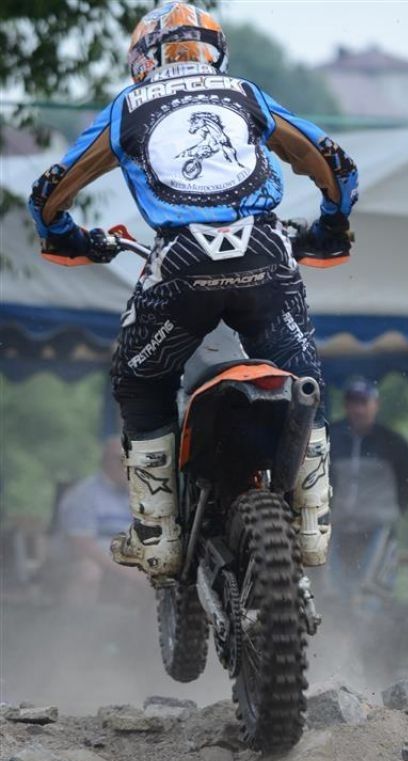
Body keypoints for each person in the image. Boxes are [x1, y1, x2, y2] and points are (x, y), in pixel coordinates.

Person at [28, 3, 358, 580]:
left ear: (141, 58)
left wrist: (66, 236)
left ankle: (156, 534)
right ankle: (313, 521)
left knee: (139, 380)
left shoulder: (128, 107)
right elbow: (333, 161)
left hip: (181, 263)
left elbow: (48, 193)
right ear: (216, 51)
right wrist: (332, 226)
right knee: (302, 371)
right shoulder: (245, 94)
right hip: (264, 253)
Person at [330, 377, 408, 596]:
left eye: (364, 402)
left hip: (378, 526)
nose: (358, 409)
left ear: (375, 405)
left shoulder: (393, 442)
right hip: (339, 525)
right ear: (346, 406)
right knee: (334, 588)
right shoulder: (332, 438)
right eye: (353, 403)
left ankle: (373, 616)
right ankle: (337, 615)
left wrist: (395, 511)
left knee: (374, 588)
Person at [56, 437, 142, 604]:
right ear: (107, 462)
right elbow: (83, 546)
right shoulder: (84, 495)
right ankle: (79, 618)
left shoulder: (137, 495)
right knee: (89, 571)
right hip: (88, 560)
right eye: (122, 459)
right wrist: (126, 571)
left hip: (125, 559)